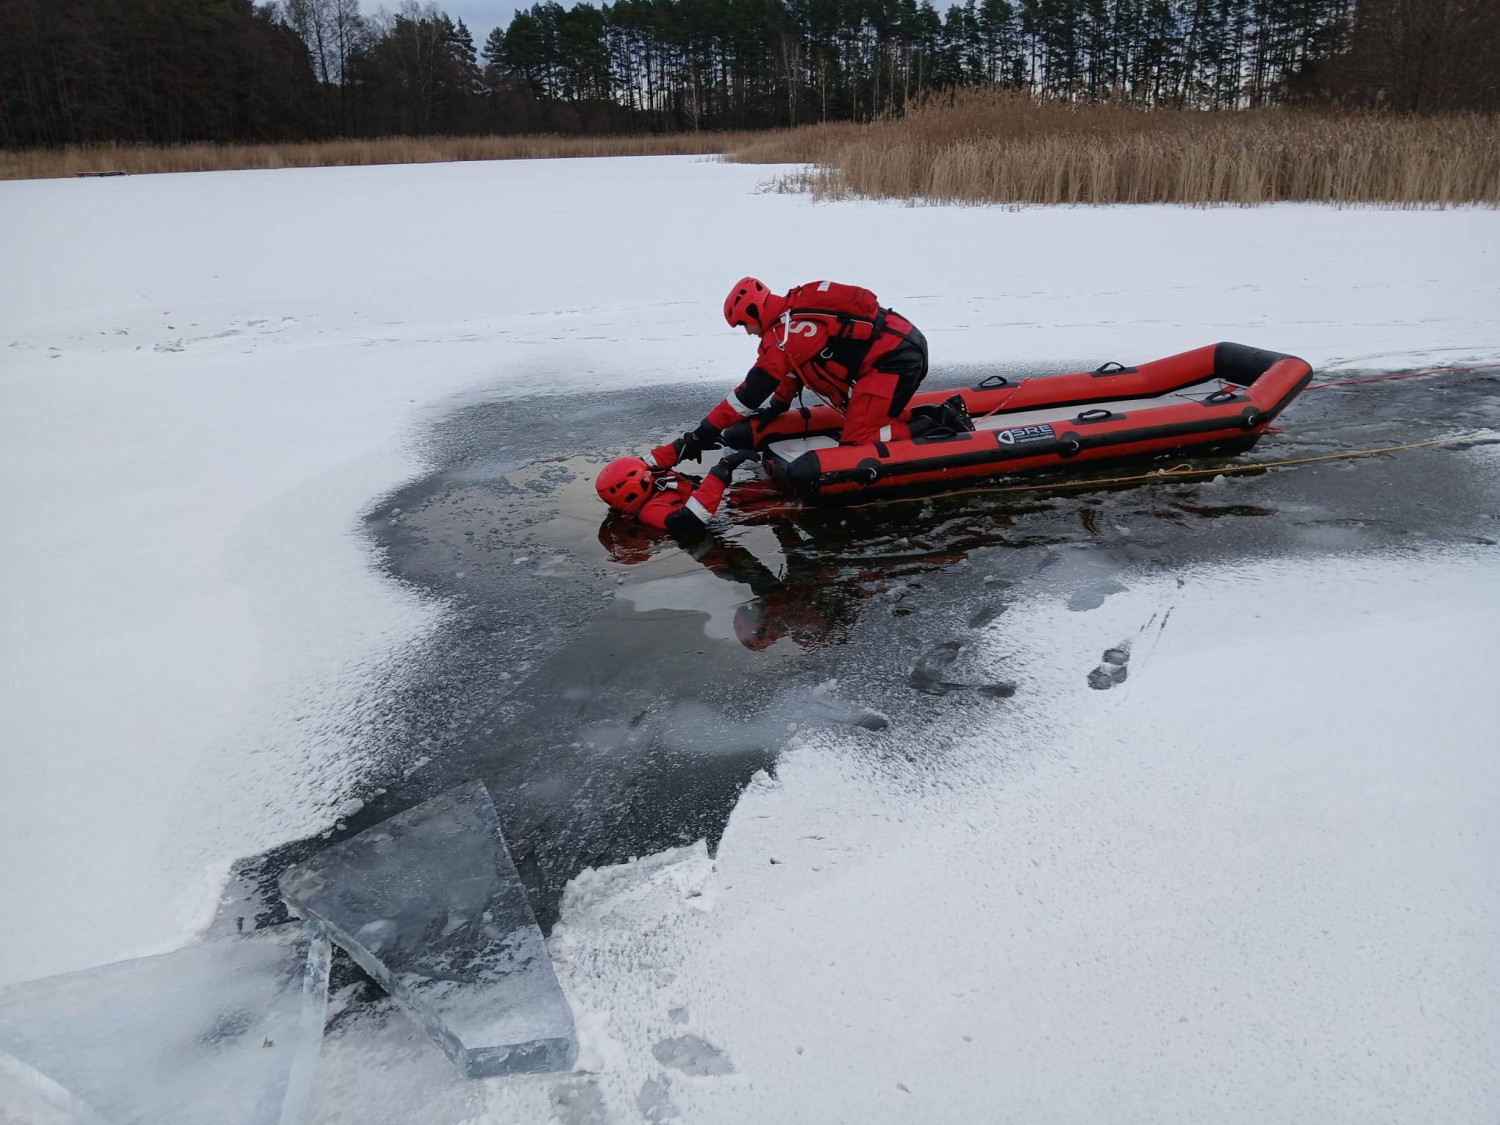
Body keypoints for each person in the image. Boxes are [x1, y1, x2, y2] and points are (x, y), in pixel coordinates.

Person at [650, 277, 973, 470]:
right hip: (896, 347)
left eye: (744, 325)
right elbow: (792, 371)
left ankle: (941, 423)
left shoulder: (786, 334)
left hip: (894, 359)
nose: (747, 332)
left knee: (858, 441)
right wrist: (778, 407)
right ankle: (929, 418)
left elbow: (748, 393)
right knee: (868, 419)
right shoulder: (788, 320)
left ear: (752, 312)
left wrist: (701, 433)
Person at [594, 450, 755, 534]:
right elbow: (689, 521)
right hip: (719, 514)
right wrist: (720, 473)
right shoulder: (651, 512)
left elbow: (659, 458)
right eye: (645, 474)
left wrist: (691, 441)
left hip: (718, 500)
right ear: (632, 491)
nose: (649, 472)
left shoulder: (651, 482)